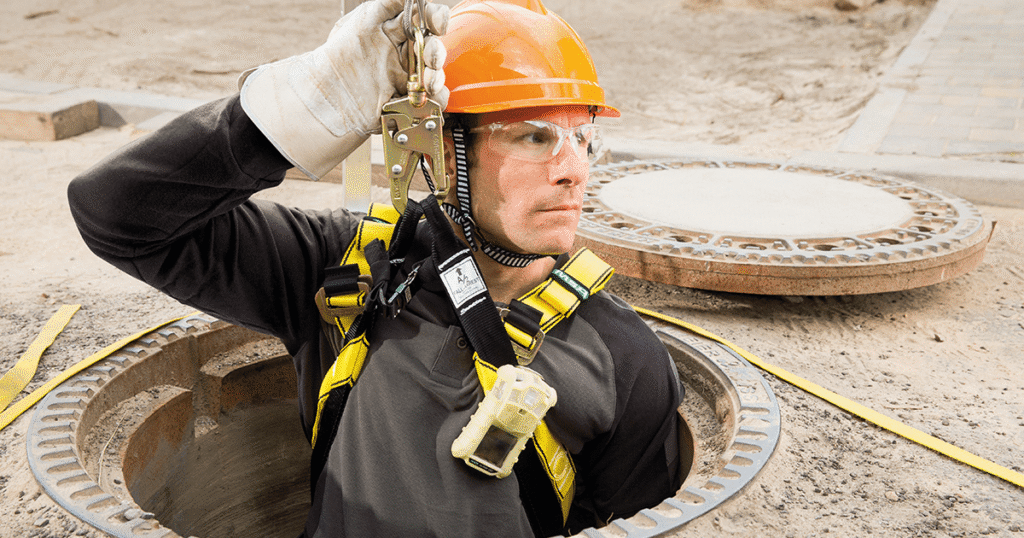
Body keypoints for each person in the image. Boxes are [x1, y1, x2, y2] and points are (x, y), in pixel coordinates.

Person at [67, 0, 684, 536]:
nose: (572, 168)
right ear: (445, 152)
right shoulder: (349, 268)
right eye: (533, 136)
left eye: (583, 137)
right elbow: (115, 214)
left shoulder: (625, 359)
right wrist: (292, 116)